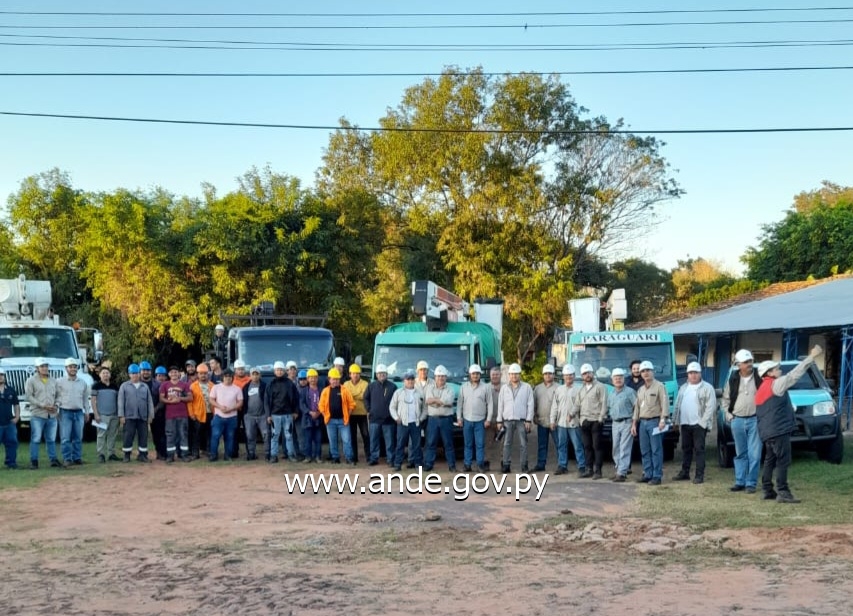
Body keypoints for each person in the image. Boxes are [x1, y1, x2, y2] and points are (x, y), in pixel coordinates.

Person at [755, 346, 823, 503]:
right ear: (769, 373)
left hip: (767, 431)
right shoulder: (776, 384)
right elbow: (794, 375)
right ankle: (783, 492)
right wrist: (811, 357)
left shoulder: (761, 389)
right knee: (783, 461)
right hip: (779, 430)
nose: (779, 370)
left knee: (770, 460)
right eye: (776, 369)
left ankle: (767, 490)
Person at [721, 349, 763, 494]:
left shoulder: (759, 377)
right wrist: (728, 415)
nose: (749, 364)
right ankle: (740, 481)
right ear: (738, 365)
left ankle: (751, 483)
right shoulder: (732, 379)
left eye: (750, 361)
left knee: (755, 454)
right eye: (746, 362)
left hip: (755, 419)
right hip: (737, 420)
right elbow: (725, 399)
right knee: (740, 453)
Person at [672, 362, 716, 484]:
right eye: (691, 373)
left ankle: (699, 475)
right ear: (687, 374)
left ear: (700, 373)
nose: (693, 375)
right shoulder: (683, 388)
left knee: (699, 450)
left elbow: (710, 407)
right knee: (686, 449)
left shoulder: (707, 388)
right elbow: (677, 405)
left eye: (696, 372)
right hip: (685, 424)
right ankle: (685, 472)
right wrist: (675, 421)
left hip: (699, 425)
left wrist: (702, 423)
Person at [631, 360, 669, 486]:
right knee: (645, 450)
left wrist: (663, 420)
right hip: (642, 423)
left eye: (648, 370)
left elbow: (664, 404)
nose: (645, 373)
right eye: (643, 371)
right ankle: (647, 474)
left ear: (653, 371)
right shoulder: (641, 389)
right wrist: (634, 424)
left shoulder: (659, 386)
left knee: (656, 450)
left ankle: (657, 476)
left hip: (655, 422)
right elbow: (637, 408)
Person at [496, 363, 534, 474]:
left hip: (522, 420)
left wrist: (528, 420)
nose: (514, 376)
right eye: (512, 374)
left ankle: (524, 465)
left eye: (516, 374)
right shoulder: (504, 388)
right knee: (507, 443)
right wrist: (499, 420)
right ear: (509, 375)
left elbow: (530, 404)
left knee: (523, 443)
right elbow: (500, 404)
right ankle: (506, 465)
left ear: (520, 374)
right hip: (507, 420)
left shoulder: (527, 387)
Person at [456, 363, 493, 473]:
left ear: (480, 375)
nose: (475, 376)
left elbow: (490, 404)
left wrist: (488, 419)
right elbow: (459, 404)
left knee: (480, 444)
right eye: (473, 374)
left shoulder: (485, 387)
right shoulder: (464, 387)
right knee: (468, 444)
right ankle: (467, 465)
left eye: (477, 374)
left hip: (480, 421)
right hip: (467, 420)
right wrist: (459, 418)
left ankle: (480, 465)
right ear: (470, 375)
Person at [25, 358, 60, 469]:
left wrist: (56, 405)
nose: (45, 368)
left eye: (46, 366)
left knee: (51, 439)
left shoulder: (53, 380)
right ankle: (34, 461)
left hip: (52, 415)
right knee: (36, 439)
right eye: (42, 366)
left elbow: (58, 395)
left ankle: (53, 460)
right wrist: (42, 405)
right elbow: (29, 396)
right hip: (38, 414)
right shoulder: (31, 380)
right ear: (37, 368)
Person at [56, 357, 91, 467]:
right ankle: (67, 458)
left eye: (75, 367)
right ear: (66, 368)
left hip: (79, 412)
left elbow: (85, 398)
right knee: (65, 437)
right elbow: (56, 397)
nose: (73, 369)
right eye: (70, 367)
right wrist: (56, 410)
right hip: (65, 412)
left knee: (78, 437)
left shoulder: (82, 383)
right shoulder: (59, 382)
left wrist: (87, 411)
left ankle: (77, 458)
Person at [117, 363, 155, 462]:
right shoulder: (124, 386)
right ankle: (127, 455)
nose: (135, 375)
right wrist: (121, 415)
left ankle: (142, 455)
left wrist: (150, 415)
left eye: (137, 373)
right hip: (129, 416)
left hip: (143, 416)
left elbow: (149, 401)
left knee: (143, 436)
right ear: (129, 374)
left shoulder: (144, 386)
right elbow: (120, 401)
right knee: (128, 435)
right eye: (133, 373)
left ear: (139, 374)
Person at [577, 363, 608, 479]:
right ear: (582, 376)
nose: (587, 375)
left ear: (593, 373)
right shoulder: (581, 389)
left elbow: (604, 403)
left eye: (589, 373)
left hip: (596, 420)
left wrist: (601, 418)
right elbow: (577, 404)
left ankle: (598, 471)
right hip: (584, 421)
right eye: (584, 374)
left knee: (597, 446)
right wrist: (572, 414)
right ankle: (588, 469)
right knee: (587, 446)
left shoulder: (600, 387)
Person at [424, 364, 457, 472]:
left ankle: (452, 465)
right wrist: (441, 401)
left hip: (446, 419)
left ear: (446, 377)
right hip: (432, 419)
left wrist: (435, 400)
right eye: (438, 376)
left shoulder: (450, 389)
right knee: (431, 443)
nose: (440, 378)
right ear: (435, 377)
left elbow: (448, 402)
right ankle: (429, 464)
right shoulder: (430, 388)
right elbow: (428, 401)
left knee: (448, 443)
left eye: (443, 376)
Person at [390, 370, 425, 471]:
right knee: (400, 444)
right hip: (402, 423)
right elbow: (392, 407)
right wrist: (396, 417)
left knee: (417, 445)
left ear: (414, 380)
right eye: (408, 379)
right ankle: (397, 464)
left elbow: (425, 408)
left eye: (412, 379)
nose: (410, 381)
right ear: (404, 381)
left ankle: (418, 464)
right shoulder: (398, 393)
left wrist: (421, 418)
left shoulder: (419, 393)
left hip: (416, 423)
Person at [550, 365, 582, 475]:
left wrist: (572, 414)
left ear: (574, 376)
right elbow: (555, 406)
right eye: (566, 375)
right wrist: (552, 420)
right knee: (561, 445)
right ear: (563, 376)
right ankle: (562, 466)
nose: (568, 377)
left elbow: (579, 405)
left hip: (574, 423)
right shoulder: (559, 390)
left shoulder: (579, 389)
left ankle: (582, 466)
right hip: (561, 423)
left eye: (570, 375)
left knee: (577, 445)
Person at [319, 368, 355, 465]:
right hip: (330, 421)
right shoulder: (325, 391)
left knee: (347, 440)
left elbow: (351, 404)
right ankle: (335, 458)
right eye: (333, 379)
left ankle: (349, 458)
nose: (335, 381)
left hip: (343, 421)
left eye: (337, 379)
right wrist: (325, 415)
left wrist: (348, 415)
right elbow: (321, 406)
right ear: (329, 379)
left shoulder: (345, 390)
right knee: (332, 440)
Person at [266, 360, 299, 463]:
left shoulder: (290, 383)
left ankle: (290, 455)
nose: (279, 372)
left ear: (284, 371)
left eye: (281, 370)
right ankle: (273, 455)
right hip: (275, 415)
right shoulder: (270, 384)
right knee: (274, 436)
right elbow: (266, 401)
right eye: (277, 370)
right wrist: (268, 415)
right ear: (274, 371)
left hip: (288, 414)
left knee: (289, 435)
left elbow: (296, 398)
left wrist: (295, 411)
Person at [607, 367, 637, 482]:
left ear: (624, 379)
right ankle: (618, 469)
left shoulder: (630, 392)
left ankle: (622, 473)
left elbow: (636, 408)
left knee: (625, 448)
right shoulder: (611, 393)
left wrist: (634, 423)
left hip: (627, 422)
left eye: (620, 377)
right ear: (612, 380)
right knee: (615, 448)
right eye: (615, 378)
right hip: (615, 423)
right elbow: (609, 407)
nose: (618, 380)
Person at [364, 364, 396, 467]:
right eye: (379, 373)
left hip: (389, 420)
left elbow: (397, 401)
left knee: (390, 441)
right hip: (374, 419)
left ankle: (391, 459)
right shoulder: (371, 386)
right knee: (374, 440)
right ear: (376, 375)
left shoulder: (392, 386)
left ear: (386, 374)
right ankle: (374, 458)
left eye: (383, 373)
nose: (382, 375)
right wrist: (369, 409)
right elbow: (365, 398)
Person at [160, 366, 193, 463]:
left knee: (183, 435)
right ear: (169, 374)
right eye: (172, 372)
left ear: (179, 374)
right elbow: (161, 398)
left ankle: (184, 455)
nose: (174, 374)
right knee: (170, 435)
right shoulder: (165, 385)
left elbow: (190, 398)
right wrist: (169, 401)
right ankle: (170, 456)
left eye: (176, 372)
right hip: (170, 415)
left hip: (183, 414)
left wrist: (180, 399)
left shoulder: (184, 385)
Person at [208, 369, 242, 461]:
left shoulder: (237, 389)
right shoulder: (216, 387)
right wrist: (220, 407)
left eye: (230, 376)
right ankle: (213, 455)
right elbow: (211, 399)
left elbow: (240, 402)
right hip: (218, 417)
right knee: (215, 436)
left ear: (232, 378)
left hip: (232, 417)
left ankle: (228, 456)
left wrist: (231, 409)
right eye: (226, 376)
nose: (228, 378)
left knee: (230, 437)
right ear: (222, 377)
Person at [91, 367, 120, 463]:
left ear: (110, 375)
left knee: (112, 435)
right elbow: (93, 401)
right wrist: (96, 414)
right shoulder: (96, 386)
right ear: (100, 375)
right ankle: (101, 454)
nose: (105, 374)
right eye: (103, 373)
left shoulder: (115, 386)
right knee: (101, 435)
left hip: (114, 415)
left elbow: (118, 400)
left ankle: (111, 454)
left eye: (107, 373)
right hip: (101, 415)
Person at [532, 364, 558, 472]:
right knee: (542, 445)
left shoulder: (558, 388)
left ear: (553, 375)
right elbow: (534, 403)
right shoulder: (537, 388)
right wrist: (534, 415)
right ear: (543, 375)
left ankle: (562, 465)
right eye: (546, 374)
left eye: (550, 373)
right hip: (542, 421)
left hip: (555, 422)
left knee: (559, 444)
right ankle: (541, 464)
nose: (548, 375)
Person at [241, 366, 269, 461]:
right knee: (250, 436)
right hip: (249, 416)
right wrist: (245, 414)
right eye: (253, 374)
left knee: (266, 435)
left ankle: (267, 453)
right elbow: (243, 401)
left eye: (257, 374)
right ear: (250, 376)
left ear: (260, 375)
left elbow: (267, 400)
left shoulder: (265, 386)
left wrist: (267, 413)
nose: (255, 376)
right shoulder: (246, 387)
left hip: (262, 415)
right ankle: (251, 453)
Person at [344, 364, 370, 464]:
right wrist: (357, 395)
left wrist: (352, 396)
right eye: (353, 373)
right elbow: (346, 396)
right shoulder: (346, 384)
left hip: (362, 413)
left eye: (357, 373)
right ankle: (354, 457)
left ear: (360, 374)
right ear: (350, 374)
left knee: (365, 435)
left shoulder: (365, 384)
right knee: (352, 436)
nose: (355, 375)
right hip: (350, 413)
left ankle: (369, 456)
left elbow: (364, 396)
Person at [188, 363, 213, 460]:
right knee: (196, 435)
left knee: (209, 434)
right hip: (198, 414)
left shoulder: (212, 385)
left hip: (210, 413)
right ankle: (195, 453)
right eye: (201, 373)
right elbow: (189, 402)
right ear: (197, 374)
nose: (203, 375)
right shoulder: (193, 386)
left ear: (208, 374)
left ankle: (208, 451)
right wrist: (191, 413)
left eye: (205, 373)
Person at [299, 369, 324, 463]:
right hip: (307, 418)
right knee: (307, 439)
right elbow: (301, 404)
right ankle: (308, 457)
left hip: (319, 418)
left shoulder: (321, 390)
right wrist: (309, 412)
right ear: (308, 379)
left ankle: (318, 456)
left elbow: (324, 402)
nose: (313, 379)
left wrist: (319, 412)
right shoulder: (304, 391)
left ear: (317, 378)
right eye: (311, 377)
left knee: (318, 439)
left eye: (314, 377)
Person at [0, 368, 20, 469]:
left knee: (12, 443)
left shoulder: (11, 390)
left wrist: (17, 417)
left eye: (1, 374)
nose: (0, 377)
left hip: (9, 423)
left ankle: (11, 463)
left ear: (4, 376)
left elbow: (16, 404)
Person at [230, 359, 251, 458]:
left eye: (242, 369)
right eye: (238, 369)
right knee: (234, 430)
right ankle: (234, 452)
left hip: (247, 409)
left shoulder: (250, 380)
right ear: (235, 370)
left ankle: (250, 452)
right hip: (235, 409)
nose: (241, 371)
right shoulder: (231, 381)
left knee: (248, 431)